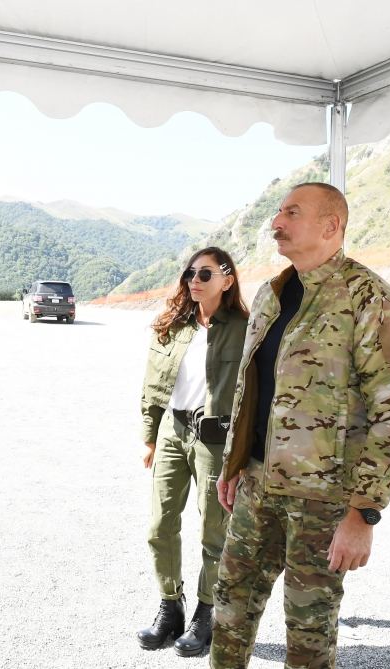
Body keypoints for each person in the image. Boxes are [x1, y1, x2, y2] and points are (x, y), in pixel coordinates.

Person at [209, 183, 390, 669]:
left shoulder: (371, 300)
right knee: (230, 608)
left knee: (308, 633)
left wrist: (363, 513)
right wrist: (235, 463)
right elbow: (251, 391)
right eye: (279, 212)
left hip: (323, 501)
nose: (276, 222)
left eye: (292, 213)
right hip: (257, 485)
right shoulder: (271, 294)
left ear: (331, 227)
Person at [137, 246, 249, 656]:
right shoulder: (173, 325)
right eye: (189, 274)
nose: (195, 281)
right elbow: (152, 383)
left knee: (213, 533)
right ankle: (171, 606)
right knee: (159, 526)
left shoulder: (245, 328)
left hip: (216, 441)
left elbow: (254, 396)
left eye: (205, 274)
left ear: (227, 278)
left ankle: (207, 612)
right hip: (172, 430)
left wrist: (243, 455)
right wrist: (150, 436)